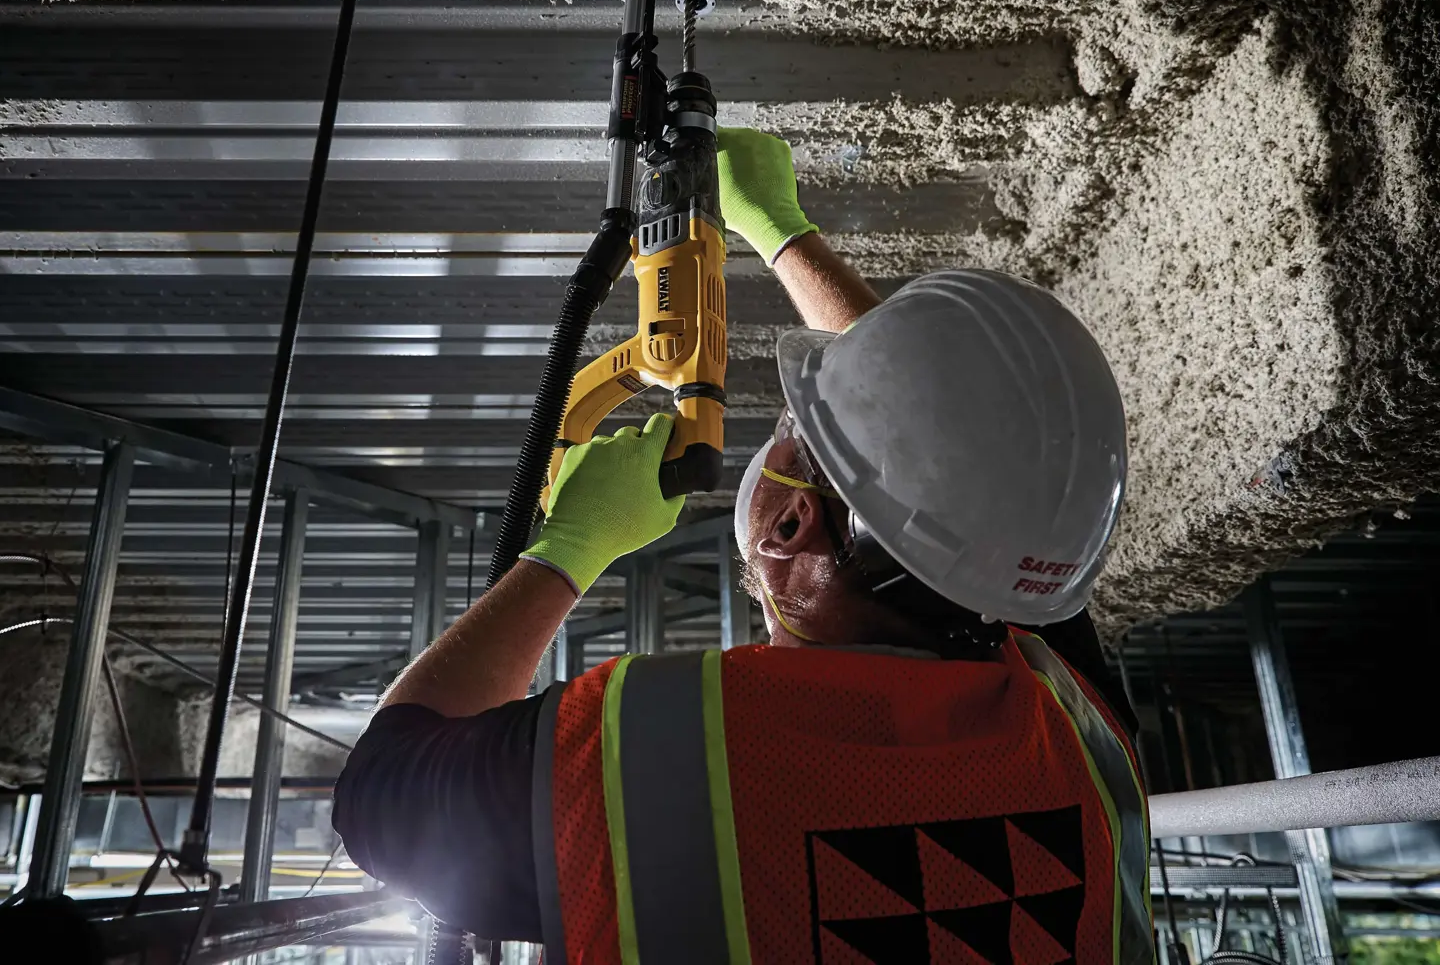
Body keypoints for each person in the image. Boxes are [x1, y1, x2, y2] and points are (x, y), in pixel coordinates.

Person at [333, 128, 1151, 965]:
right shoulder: (1074, 733)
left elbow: (380, 794)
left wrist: (569, 547)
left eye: (794, 430)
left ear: (790, 527)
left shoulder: (664, 755)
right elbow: (964, 464)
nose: (781, 436)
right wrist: (782, 232)